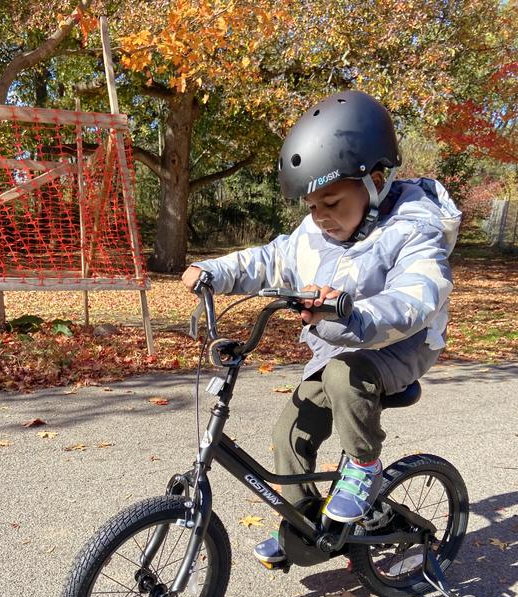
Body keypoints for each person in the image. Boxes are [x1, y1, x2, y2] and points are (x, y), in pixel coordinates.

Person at [181, 89, 461, 565]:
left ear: (374, 181)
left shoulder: (414, 228)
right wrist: (215, 270)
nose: (321, 217)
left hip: (401, 345)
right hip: (340, 347)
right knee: (289, 432)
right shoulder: (315, 232)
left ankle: (364, 466)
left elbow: (418, 296)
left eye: (331, 201)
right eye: (311, 206)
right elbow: (270, 260)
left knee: (343, 376)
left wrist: (354, 313)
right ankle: (305, 526)